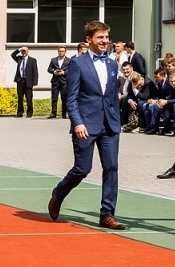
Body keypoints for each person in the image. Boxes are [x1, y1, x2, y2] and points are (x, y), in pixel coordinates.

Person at [48, 20, 124, 229]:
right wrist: (77, 123)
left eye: (107, 38)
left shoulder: (112, 64)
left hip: (110, 126)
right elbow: (71, 98)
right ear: (89, 40)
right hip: (86, 125)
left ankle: (107, 214)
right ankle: (58, 193)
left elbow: (110, 96)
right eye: (100, 37)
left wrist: (118, 121)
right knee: (82, 169)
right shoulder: (77, 63)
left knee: (112, 167)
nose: (105, 41)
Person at [12, 46, 38, 117]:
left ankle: (29, 112)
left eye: (25, 51)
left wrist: (35, 81)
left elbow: (35, 71)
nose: (24, 52)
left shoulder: (32, 60)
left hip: (28, 81)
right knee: (20, 97)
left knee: (29, 98)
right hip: (20, 81)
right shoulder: (19, 59)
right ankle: (20, 112)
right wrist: (19, 49)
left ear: (28, 51)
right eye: (22, 51)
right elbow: (13, 55)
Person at [47, 46, 70, 119]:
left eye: (62, 51)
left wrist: (63, 72)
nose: (61, 52)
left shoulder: (69, 60)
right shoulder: (53, 60)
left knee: (64, 98)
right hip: (55, 81)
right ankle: (53, 113)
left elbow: (71, 70)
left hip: (64, 82)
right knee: (54, 98)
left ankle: (64, 113)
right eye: (59, 51)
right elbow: (49, 69)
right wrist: (54, 72)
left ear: (65, 52)